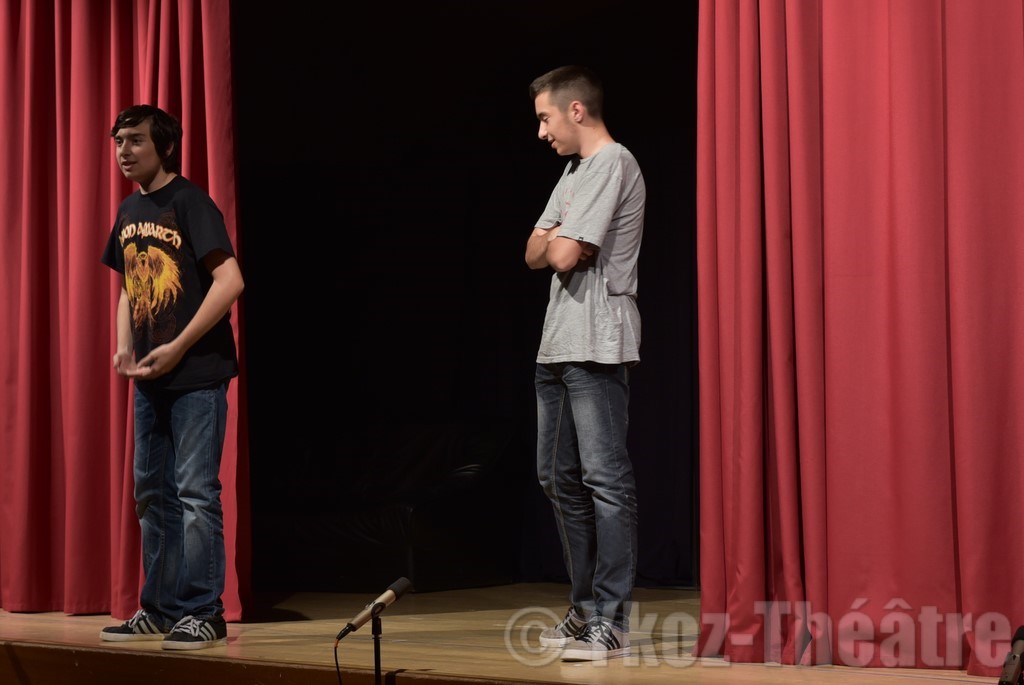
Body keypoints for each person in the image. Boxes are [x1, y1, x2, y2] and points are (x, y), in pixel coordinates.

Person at [99, 104, 244, 650]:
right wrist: (124, 348)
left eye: (135, 140)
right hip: (150, 378)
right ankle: (158, 610)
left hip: (198, 375)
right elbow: (128, 287)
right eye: (118, 141)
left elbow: (230, 281)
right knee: (150, 495)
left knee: (195, 494)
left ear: (164, 146)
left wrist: (179, 346)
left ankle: (204, 612)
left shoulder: (190, 202)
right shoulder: (128, 209)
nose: (124, 151)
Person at [524, 65, 645, 661]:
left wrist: (558, 238)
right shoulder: (572, 171)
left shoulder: (613, 162)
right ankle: (584, 609)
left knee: (605, 481)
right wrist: (557, 240)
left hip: (596, 343)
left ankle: (612, 620)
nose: (541, 132)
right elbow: (532, 252)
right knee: (555, 478)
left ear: (576, 110)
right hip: (556, 343)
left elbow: (563, 254)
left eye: (545, 117)